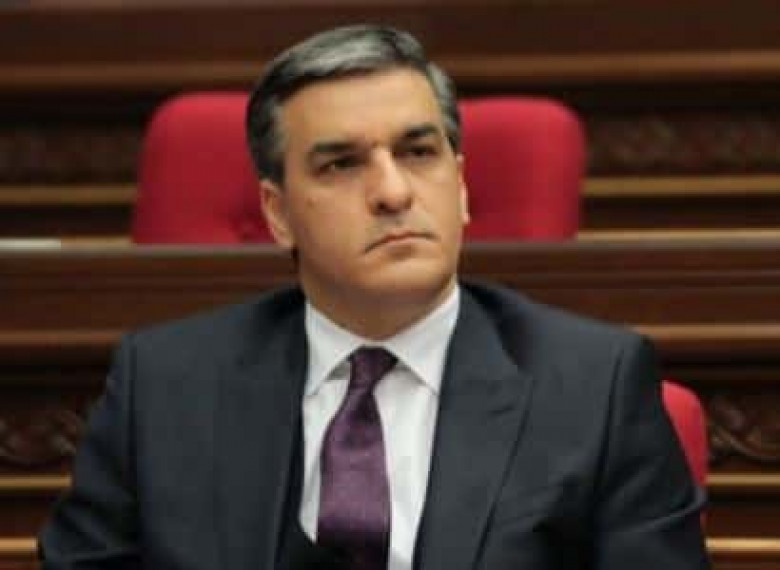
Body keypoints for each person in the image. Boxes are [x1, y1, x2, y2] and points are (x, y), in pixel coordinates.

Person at [39, 25, 710, 570]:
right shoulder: (165, 387)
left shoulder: (594, 387)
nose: (393, 192)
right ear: (278, 214)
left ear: (461, 186)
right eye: (342, 164)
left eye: (418, 153)